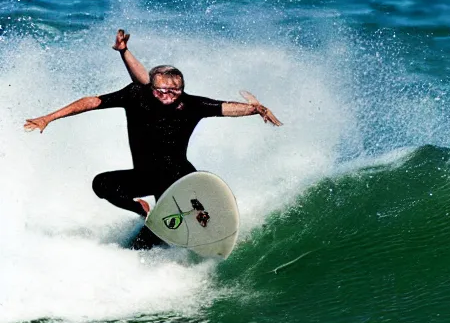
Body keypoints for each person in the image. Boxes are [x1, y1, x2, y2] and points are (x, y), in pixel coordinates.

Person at [24, 29, 282, 249]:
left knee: (164, 233)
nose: (170, 95)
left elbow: (225, 107)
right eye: (162, 90)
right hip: (146, 175)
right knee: (101, 184)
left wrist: (255, 109)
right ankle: (141, 210)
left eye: (176, 90)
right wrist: (49, 117)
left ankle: (203, 230)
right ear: (151, 87)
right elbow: (93, 102)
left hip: (179, 177)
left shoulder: (191, 105)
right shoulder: (135, 96)